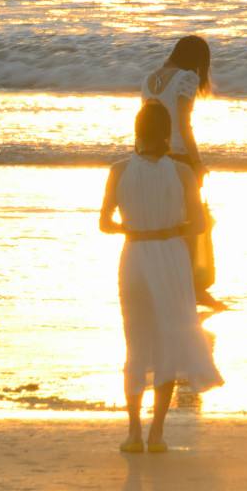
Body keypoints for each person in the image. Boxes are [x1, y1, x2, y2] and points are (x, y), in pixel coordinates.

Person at [101, 100, 223, 452]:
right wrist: (168, 228)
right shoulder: (182, 172)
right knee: (169, 337)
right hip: (171, 254)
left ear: (138, 131)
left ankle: (133, 433)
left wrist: (136, 226)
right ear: (166, 132)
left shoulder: (118, 170)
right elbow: (199, 224)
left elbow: (104, 223)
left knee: (136, 341)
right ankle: (157, 434)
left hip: (135, 254)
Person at [143, 34, 224, 311]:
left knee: (165, 224)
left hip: (152, 156)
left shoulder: (151, 77)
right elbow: (184, 124)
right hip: (179, 158)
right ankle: (192, 289)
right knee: (194, 224)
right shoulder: (186, 78)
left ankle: (167, 286)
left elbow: (145, 121)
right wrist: (198, 162)